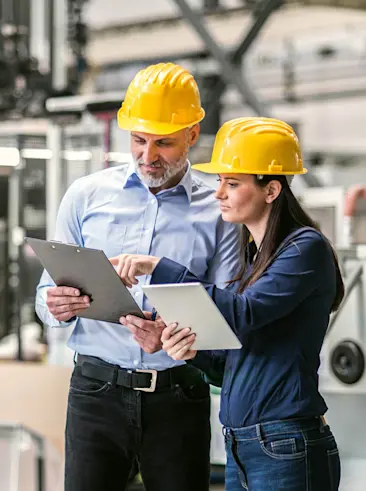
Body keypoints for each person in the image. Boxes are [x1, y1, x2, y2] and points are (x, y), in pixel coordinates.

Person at [35, 62, 241, 491]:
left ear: (192, 133)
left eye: (163, 143)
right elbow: (45, 295)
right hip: (95, 391)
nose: (148, 157)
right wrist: (56, 306)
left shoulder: (219, 211)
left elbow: (226, 315)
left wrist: (175, 333)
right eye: (139, 140)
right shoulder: (86, 195)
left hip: (178, 396)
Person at [110, 116, 345, 491]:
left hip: (285, 443)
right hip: (244, 445)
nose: (219, 192)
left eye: (232, 183)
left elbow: (243, 315)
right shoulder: (255, 258)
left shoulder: (304, 248)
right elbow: (230, 364)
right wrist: (186, 348)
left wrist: (158, 266)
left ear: (271, 191)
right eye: (219, 181)